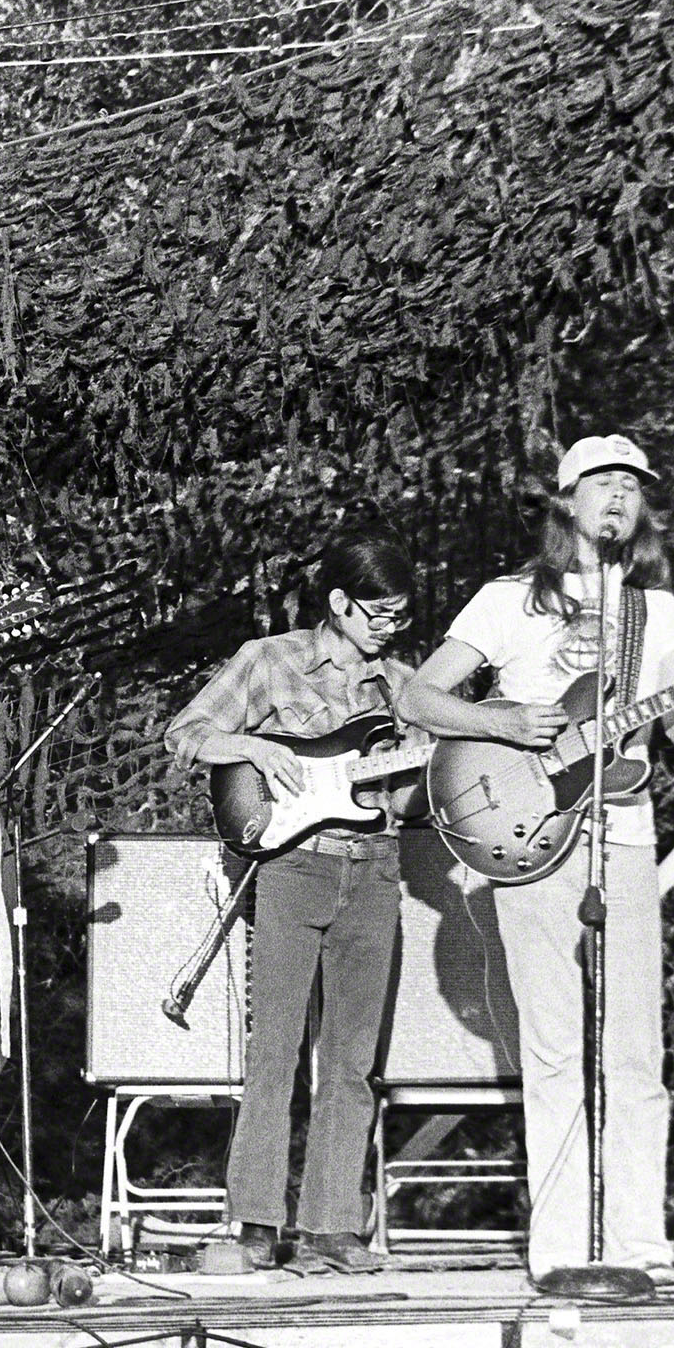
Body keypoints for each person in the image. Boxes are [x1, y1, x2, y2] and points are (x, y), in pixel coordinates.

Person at [399, 435, 674, 1284]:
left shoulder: (656, 610)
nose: (617, 498)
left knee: (635, 1049)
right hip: (528, 837)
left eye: (632, 487)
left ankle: (640, 1244)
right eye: (602, 483)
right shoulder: (508, 599)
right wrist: (502, 724)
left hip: (625, 833)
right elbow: (417, 693)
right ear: (567, 500)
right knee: (551, 1046)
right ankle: (562, 1247)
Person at [166, 534, 419, 1275]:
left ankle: (335, 1224)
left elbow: (406, 793)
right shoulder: (268, 658)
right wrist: (249, 749)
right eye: (378, 612)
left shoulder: (402, 686)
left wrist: (433, 771)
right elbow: (185, 734)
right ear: (338, 602)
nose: (389, 627)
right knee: (272, 1051)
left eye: (400, 615)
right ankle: (255, 1222)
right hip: (290, 869)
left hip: (374, 869)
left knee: (351, 1058)